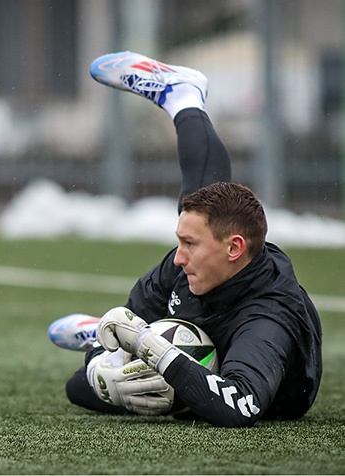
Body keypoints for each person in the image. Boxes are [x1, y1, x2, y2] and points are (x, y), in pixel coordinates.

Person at [55, 51, 322, 428]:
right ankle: (182, 97)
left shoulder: (268, 318)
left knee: (89, 387)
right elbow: (83, 379)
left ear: (234, 249)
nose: (177, 258)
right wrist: (105, 368)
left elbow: (240, 406)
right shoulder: (189, 263)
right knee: (83, 387)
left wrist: (154, 350)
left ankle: (183, 96)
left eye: (189, 245)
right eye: (180, 242)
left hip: (223, 376)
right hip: (183, 338)